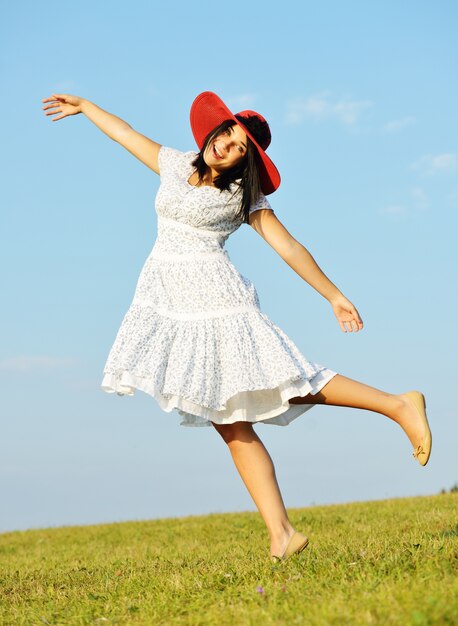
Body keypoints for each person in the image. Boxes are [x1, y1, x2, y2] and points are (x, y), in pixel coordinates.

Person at [41, 90, 432, 562]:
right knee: (228, 421)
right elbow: (126, 133)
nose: (228, 145)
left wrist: (333, 295)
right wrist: (86, 108)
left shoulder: (244, 194)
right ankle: (282, 533)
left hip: (219, 303)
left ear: (245, 163)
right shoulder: (173, 163)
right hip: (178, 306)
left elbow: (288, 247)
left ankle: (398, 405)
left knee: (289, 380)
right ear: (215, 130)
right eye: (228, 133)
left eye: (241, 147)